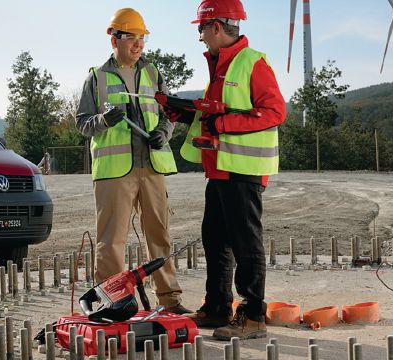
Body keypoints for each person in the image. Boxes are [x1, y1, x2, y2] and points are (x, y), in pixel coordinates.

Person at [168, 0, 286, 340]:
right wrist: (185, 113)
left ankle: (253, 316)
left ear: (217, 27)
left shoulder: (252, 63)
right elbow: (216, 111)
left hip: (243, 171)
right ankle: (218, 306)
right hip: (219, 169)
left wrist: (222, 123)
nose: (201, 36)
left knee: (246, 243)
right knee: (215, 240)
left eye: (201, 29)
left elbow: (275, 111)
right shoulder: (221, 66)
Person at [75, 8, 191, 315]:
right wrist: (104, 119)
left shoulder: (153, 73)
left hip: (151, 166)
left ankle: (169, 300)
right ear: (115, 39)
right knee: (111, 241)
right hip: (115, 172)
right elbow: (83, 123)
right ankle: (116, 301)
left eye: (142, 38)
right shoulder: (96, 78)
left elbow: (170, 113)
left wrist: (164, 133)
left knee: (159, 234)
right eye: (131, 38)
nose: (138, 45)